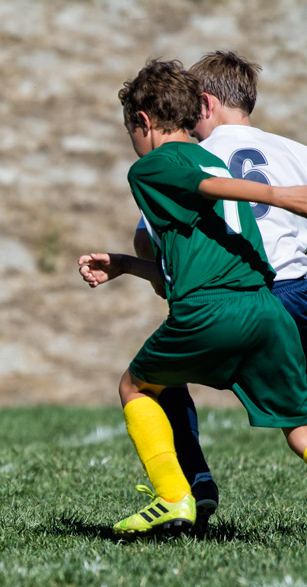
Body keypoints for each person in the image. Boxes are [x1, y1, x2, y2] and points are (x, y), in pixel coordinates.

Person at [78, 59, 307, 539]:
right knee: (300, 428)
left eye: (131, 132)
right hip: (265, 308)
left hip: (212, 309)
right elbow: (186, 257)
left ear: (143, 122)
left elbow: (203, 188)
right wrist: (124, 265)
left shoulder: (153, 168)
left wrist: (283, 196)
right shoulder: (212, 155)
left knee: (136, 387)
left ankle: (173, 497)